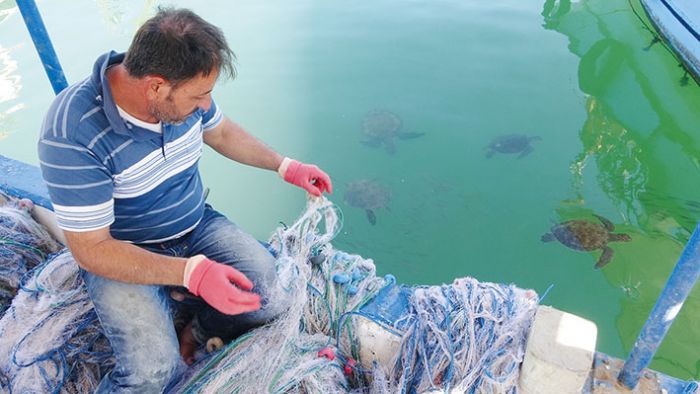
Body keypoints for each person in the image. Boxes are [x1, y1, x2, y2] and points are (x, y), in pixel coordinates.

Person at [37, 7, 332, 392]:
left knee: (269, 298)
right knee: (154, 374)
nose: (206, 106)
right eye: (200, 96)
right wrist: (190, 273)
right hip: (123, 252)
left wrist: (284, 165)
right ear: (156, 87)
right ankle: (176, 304)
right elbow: (91, 249)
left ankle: (194, 328)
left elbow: (222, 132)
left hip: (195, 225)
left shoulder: (181, 99)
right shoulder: (71, 131)